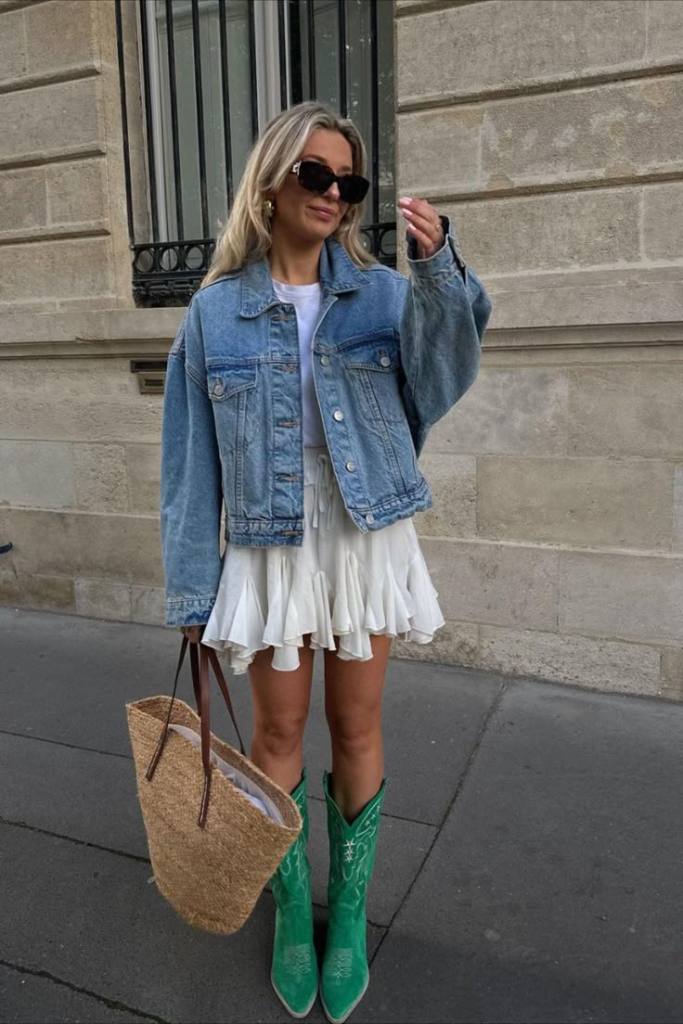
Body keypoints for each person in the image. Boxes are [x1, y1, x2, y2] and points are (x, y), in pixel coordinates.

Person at [160, 99, 492, 1023]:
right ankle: (289, 919)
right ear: (271, 182)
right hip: (267, 541)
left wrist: (439, 270)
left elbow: (442, 379)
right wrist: (191, 588)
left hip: (362, 531)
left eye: (348, 182)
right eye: (316, 175)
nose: (334, 194)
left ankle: (344, 918)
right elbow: (188, 464)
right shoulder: (214, 312)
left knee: (355, 726)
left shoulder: (384, 294)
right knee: (274, 734)